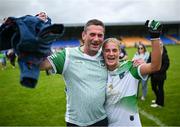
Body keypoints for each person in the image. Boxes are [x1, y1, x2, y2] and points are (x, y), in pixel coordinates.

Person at [40, 19, 108, 126]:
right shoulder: (67, 55)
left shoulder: (106, 56)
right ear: (84, 35)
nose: (96, 39)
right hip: (76, 122)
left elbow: (123, 66)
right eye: (92, 34)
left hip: (101, 120)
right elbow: (41, 65)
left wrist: (139, 62)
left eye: (100, 35)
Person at [102, 20, 162, 126]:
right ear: (102, 53)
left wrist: (155, 37)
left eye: (114, 50)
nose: (111, 54)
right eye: (107, 50)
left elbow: (155, 66)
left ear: (120, 52)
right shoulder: (98, 72)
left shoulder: (130, 67)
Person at [148, 42, 170, 108]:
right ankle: (158, 99)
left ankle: (160, 103)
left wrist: (159, 70)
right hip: (153, 74)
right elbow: (149, 62)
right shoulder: (152, 53)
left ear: (162, 45)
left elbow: (166, 65)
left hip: (160, 75)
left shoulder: (165, 54)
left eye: (160, 44)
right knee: (154, 88)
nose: (159, 45)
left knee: (160, 88)